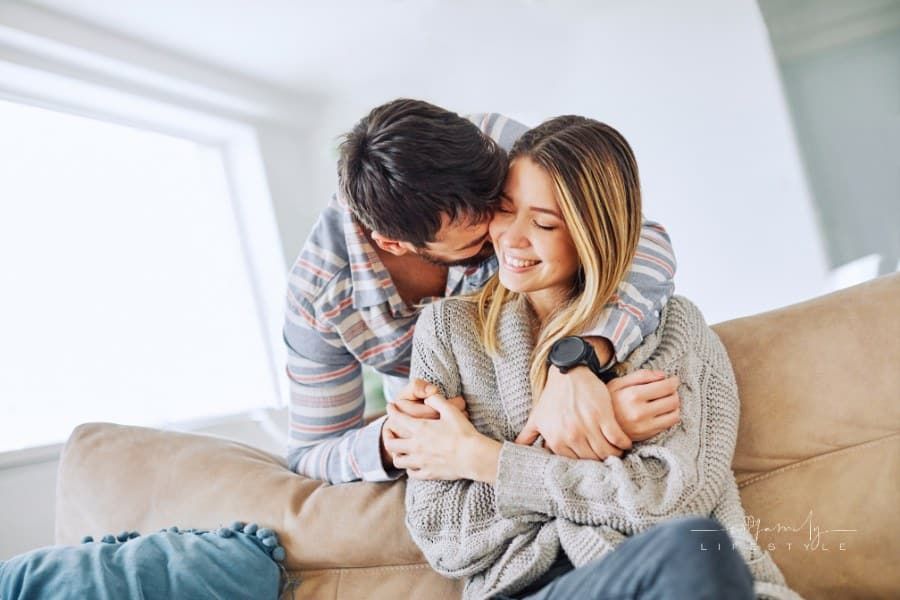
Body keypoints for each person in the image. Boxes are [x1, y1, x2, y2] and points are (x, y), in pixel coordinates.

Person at [386, 116, 802, 599]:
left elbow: (671, 500)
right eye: (503, 210)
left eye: (543, 223)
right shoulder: (448, 332)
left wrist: (482, 458)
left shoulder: (674, 331)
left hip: (672, 581)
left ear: (593, 231)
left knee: (692, 552)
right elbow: (445, 537)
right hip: (529, 591)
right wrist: (582, 446)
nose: (513, 238)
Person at [284, 99, 681, 483]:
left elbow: (631, 235)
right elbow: (309, 453)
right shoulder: (318, 298)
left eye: (502, 206)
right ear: (393, 244)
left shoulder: (489, 147)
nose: (504, 235)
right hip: (454, 447)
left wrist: (576, 358)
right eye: (476, 239)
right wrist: (395, 440)